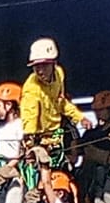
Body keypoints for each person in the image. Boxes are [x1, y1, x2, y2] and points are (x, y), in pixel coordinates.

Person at [19, 38, 93, 167]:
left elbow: (61, 102)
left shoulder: (59, 74)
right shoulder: (31, 90)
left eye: (44, 65)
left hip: (57, 138)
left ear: (54, 63)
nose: (40, 71)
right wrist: (30, 143)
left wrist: (80, 118)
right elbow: (29, 117)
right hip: (39, 141)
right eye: (36, 66)